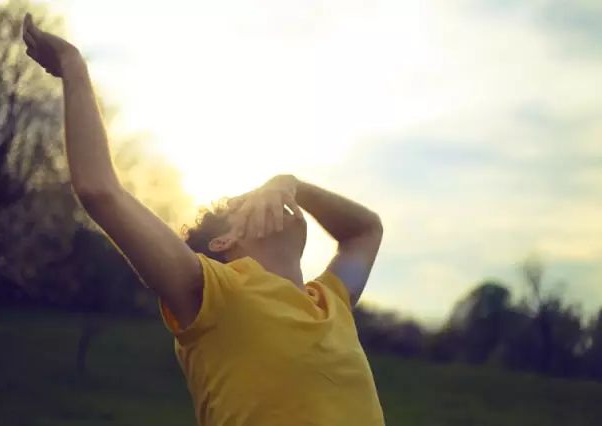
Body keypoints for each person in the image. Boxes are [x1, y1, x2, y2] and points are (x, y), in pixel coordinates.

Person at [22, 13, 385, 426]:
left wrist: (293, 184)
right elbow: (99, 190)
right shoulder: (214, 293)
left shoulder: (332, 300)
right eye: (243, 203)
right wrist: (73, 66)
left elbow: (365, 231)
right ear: (222, 243)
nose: (263, 200)